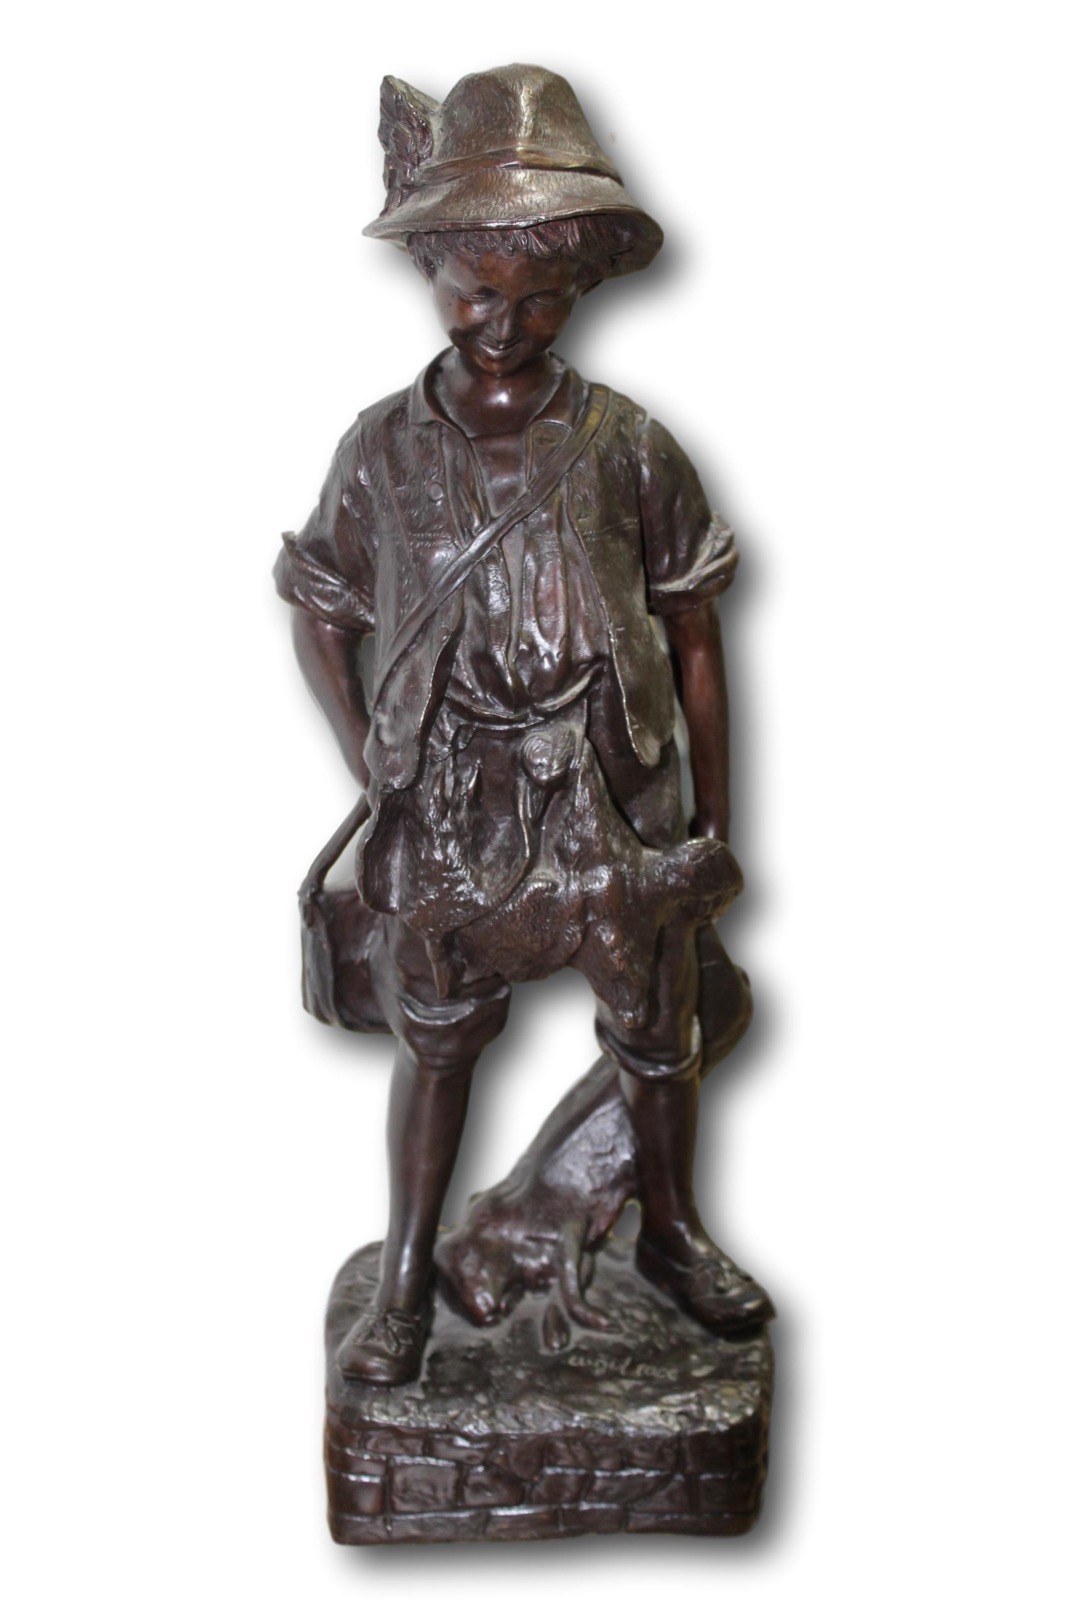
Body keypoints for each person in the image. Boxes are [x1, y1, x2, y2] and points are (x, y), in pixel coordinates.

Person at [276, 65, 773, 1383]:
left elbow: (694, 632)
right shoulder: (381, 449)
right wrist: (375, 765)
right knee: (438, 1047)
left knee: (656, 1034)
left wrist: (713, 825)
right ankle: (404, 1277)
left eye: (539, 296)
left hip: (611, 798)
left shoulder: (629, 445)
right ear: (432, 274)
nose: (504, 321)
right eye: (477, 291)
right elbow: (318, 603)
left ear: (583, 289)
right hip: (451, 805)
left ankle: (669, 1233)